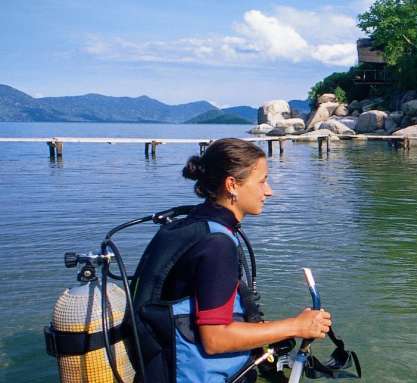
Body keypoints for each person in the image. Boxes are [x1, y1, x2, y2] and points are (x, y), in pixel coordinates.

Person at [130, 138, 332, 382]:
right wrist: (296, 326)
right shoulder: (217, 244)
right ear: (232, 185)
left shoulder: (192, 225)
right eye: (262, 181)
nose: (269, 191)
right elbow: (216, 339)